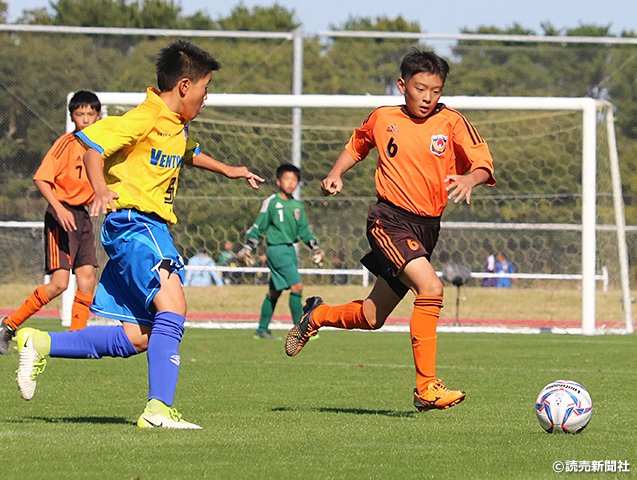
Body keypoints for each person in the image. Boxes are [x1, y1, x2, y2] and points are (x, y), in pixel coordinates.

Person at [13, 40, 264, 429]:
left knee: (140, 336)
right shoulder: (145, 116)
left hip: (147, 228)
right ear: (184, 86)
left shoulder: (175, 126)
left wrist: (229, 168)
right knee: (174, 306)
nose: (206, 96)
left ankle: (40, 342)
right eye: (205, 86)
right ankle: (158, 411)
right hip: (136, 223)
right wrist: (98, 188)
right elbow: (93, 148)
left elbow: (187, 152)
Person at [284, 48, 495, 411]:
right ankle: (426, 388)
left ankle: (315, 315)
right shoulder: (383, 118)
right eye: (420, 88)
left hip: (427, 228)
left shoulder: (452, 122)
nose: (428, 98)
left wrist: (469, 178)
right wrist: (336, 173)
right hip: (388, 220)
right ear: (402, 85)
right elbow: (358, 144)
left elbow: (483, 163)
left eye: (436, 91)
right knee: (431, 287)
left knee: (371, 316)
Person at [0, 91, 102, 355]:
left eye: (91, 113)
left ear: (99, 115)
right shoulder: (65, 144)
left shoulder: (103, 146)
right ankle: (9, 325)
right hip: (61, 215)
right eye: (80, 114)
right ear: (72, 117)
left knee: (88, 280)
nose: (86, 118)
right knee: (59, 283)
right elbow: (41, 178)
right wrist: (59, 208)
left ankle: (77, 340)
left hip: (82, 216)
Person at [238, 164, 324, 340]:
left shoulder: (297, 205)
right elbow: (258, 225)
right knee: (297, 286)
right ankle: (300, 330)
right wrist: (247, 248)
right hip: (276, 249)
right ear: (278, 181)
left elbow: (304, 231)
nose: (290, 183)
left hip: (290, 251)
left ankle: (261, 330)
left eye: (294, 180)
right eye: (287, 179)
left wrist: (315, 247)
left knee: (274, 292)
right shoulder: (271, 202)